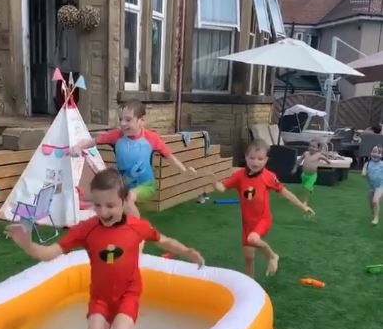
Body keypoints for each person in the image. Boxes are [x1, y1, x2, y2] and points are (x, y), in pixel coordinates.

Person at [6, 168, 204, 329]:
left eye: (110, 205)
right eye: (97, 205)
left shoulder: (136, 227)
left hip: (127, 296)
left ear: (124, 201)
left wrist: (187, 251)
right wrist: (26, 244)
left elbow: (164, 241)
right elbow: (50, 253)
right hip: (100, 300)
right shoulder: (86, 230)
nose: (103, 211)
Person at [70, 100, 196, 217]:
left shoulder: (151, 138)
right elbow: (92, 141)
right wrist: (78, 147)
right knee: (112, 198)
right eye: (121, 119)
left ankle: (137, 231)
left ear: (141, 121)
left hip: (146, 185)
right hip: (122, 185)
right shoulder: (116, 135)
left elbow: (170, 156)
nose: (123, 123)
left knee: (128, 197)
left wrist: (184, 170)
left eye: (128, 119)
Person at [214, 139, 314, 278]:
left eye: (260, 159)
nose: (255, 162)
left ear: (266, 160)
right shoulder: (239, 176)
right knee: (249, 257)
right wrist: (216, 184)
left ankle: (273, 256)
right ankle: (250, 282)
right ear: (246, 157)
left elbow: (285, 192)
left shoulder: (269, 177)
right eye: (252, 158)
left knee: (253, 239)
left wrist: (302, 205)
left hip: (263, 219)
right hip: (247, 223)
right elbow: (223, 187)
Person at [297, 140, 332, 205]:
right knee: (305, 185)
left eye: (314, 147)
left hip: (312, 176)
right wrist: (296, 165)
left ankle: (305, 202)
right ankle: (311, 188)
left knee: (306, 188)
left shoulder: (319, 155)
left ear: (317, 149)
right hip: (304, 174)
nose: (311, 148)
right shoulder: (306, 153)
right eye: (310, 146)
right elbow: (300, 159)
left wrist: (328, 162)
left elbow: (326, 159)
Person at [362, 145, 383, 225]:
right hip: (371, 186)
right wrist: (365, 173)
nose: (375, 154)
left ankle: (376, 218)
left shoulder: (382, 164)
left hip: (380, 185)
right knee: (371, 204)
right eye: (373, 151)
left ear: (381, 154)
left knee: (375, 201)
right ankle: (374, 214)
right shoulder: (367, 164)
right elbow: (363, 173)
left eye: (377, 152)